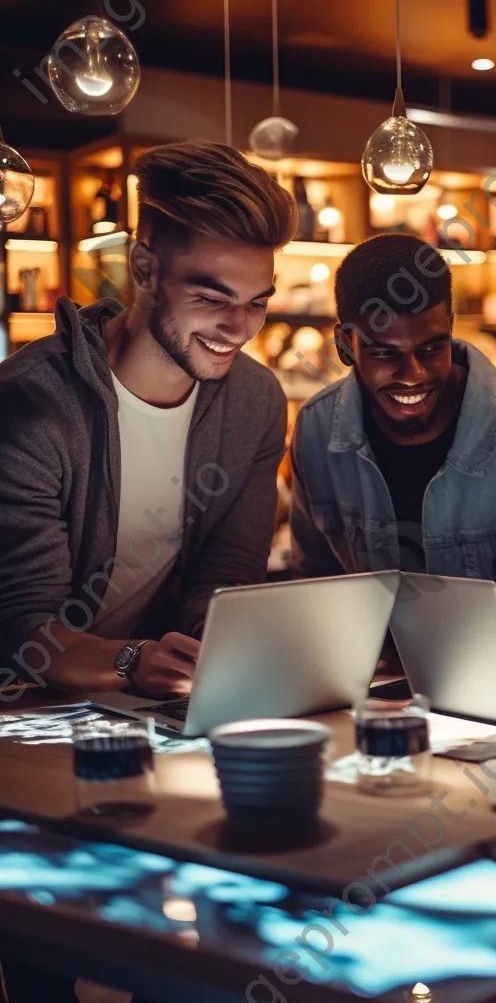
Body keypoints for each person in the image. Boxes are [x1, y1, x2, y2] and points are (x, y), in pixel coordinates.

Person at [0, 142, 295, 998]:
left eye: (256, 303)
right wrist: (131, 659)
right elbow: (24, 629)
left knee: (203, 935)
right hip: (24, 720)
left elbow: (226, 580)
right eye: (211, 296)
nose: (237, 328)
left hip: (146, 714)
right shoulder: (31, 404)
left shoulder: (254, 401)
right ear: (142, 269)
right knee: (50, 952)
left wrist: (217, 654)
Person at [289, 233, 496, 601]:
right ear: (346, 344)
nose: (413, 374)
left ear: (451, 328)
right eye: (384, 354)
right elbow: (315, 578)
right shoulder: (316, 428)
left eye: (432, 348)